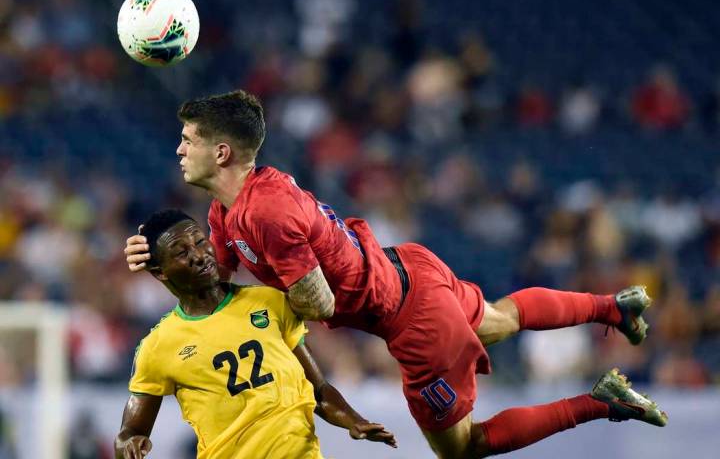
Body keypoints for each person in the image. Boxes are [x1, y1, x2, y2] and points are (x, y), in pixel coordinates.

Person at [124, 90, 667, 458]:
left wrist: (266, 311)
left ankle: (601, 401)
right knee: (498, 319)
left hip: (412, 321)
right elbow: (213, 283)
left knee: (463, 448)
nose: (179, 148)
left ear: (221, 152)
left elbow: (319, 306)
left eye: (188, 139)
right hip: (406, 264)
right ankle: (613, 307)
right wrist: (157, 260)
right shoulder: (226, 210)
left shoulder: (266, 214)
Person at [115, 209, 396, 459]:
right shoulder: (158, 346)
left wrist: (354, 420)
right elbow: (129, 432)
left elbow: (319, 389)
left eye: (200, 242)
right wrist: (129, 444)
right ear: (160, 272)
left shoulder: (269, 302)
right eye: (181, 252)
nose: (199, 256)